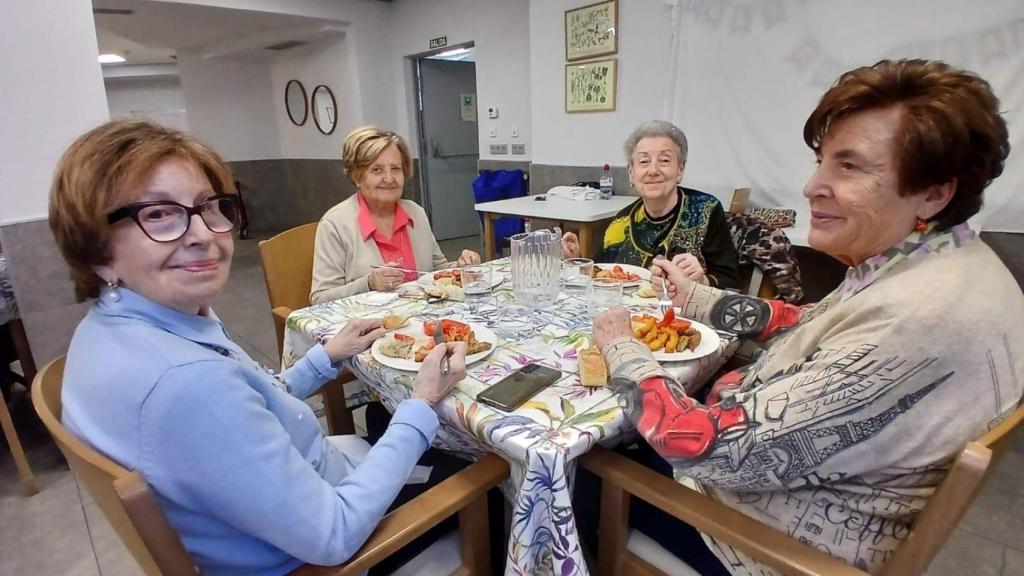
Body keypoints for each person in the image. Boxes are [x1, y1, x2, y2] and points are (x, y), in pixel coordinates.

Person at [589, 59, 1023, 574]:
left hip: (760, 541)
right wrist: (698, 298)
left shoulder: (917, 320)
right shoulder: (937, 260)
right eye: (822, 161)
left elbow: (698, 444)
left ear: (934, 190)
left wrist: (621, 345)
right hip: (804, 486)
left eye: (850, 165)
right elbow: (814, 319)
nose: (812, 185)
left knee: (581, 465)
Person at [51, 120, 472, 576]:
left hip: (290, 489)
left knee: (415, 437)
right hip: (314, 552)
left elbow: (249, 401)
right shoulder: (186, 384)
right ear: (95, 247)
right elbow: (334, 535)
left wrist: (324, 357)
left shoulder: (111, 331)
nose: (201, 235)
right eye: (157, 214)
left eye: (209, 208)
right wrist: (421, 402)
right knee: (482, 470)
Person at [561, 120, 741, 289]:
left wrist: (702, 281)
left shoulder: (705, 210)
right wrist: (576, 260)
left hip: (681, 319)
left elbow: (731, 282)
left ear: (680, 170)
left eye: (664, 160)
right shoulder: (620, 223)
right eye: (644, 161)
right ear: (631, 173)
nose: (653, 171)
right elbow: (601, 275)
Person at [310, 127, 480, 304]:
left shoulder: (415, 212)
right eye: (377, 170)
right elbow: (320, 298)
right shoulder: (335, 224)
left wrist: (463, 267)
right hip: (369, 324)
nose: (389, 178)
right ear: (357, 176)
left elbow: (437, 269)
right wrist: (368, 283)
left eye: (396, 169)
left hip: (420, 317)